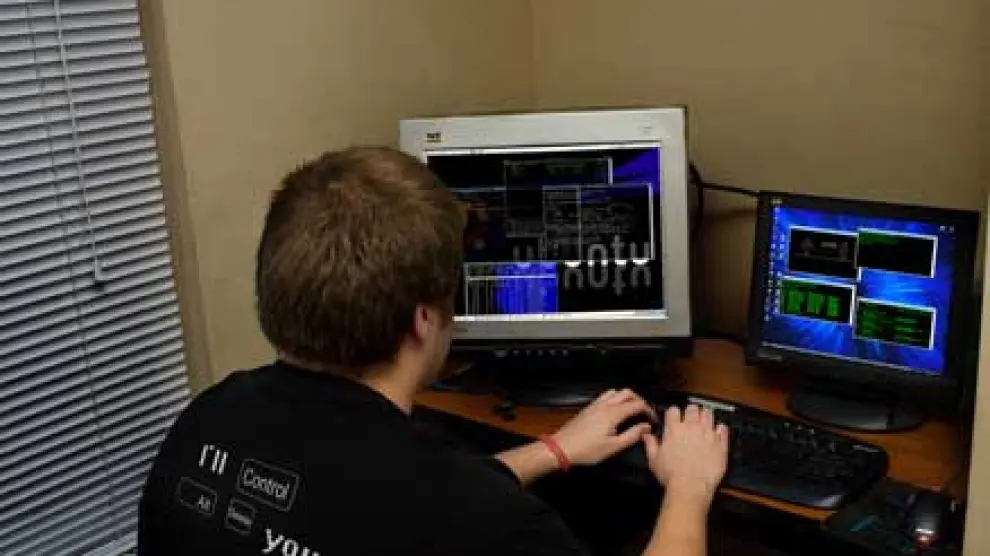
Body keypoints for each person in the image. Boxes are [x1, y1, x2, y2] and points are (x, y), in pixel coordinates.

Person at [138, 146, 729, 556]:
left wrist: (553, 450)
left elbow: (368, 507)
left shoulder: (208, 417)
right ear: (423, 319)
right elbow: (432, 506)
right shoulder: (484, 522)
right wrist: (688, 487)